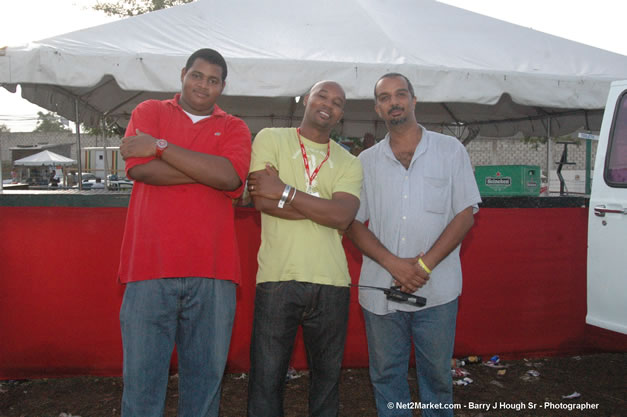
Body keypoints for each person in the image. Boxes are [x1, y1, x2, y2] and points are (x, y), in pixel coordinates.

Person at [117, 48, 251, 417]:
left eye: (212, 80)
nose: (203, 85)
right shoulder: (149, 111)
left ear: (223, 86)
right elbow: (141, 171)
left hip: (213, 272)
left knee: (204, 386)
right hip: (148, 269)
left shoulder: (236, 126)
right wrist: (208, 169)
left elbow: (231, 177)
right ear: (182, 74)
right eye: (197, 75)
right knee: (142, 385)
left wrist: (160, 147)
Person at [346, 73, 481, 417]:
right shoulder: (365, 162)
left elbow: (465, 215)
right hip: (381, 290)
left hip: (437, 291)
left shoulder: (450, 150)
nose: (394, 102)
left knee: (436, 378)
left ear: (414, 100)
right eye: (385, 97)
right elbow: (352, 223)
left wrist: (421, 267)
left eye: (400, 94)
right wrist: (394, 264)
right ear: (377, 108)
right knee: (387, 376)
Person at [246, 80, 363, 417]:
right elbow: (262, 202)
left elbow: (343, 217)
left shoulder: (349, 161)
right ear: (305, 100)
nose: (328, 104)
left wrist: (284, 190)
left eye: (338, 101)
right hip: (277, 278)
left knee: (327, 385)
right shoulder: (270, 138)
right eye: (321, 95)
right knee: (265, 383)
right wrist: (322, 209)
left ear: (341, 114)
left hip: (332, 283)